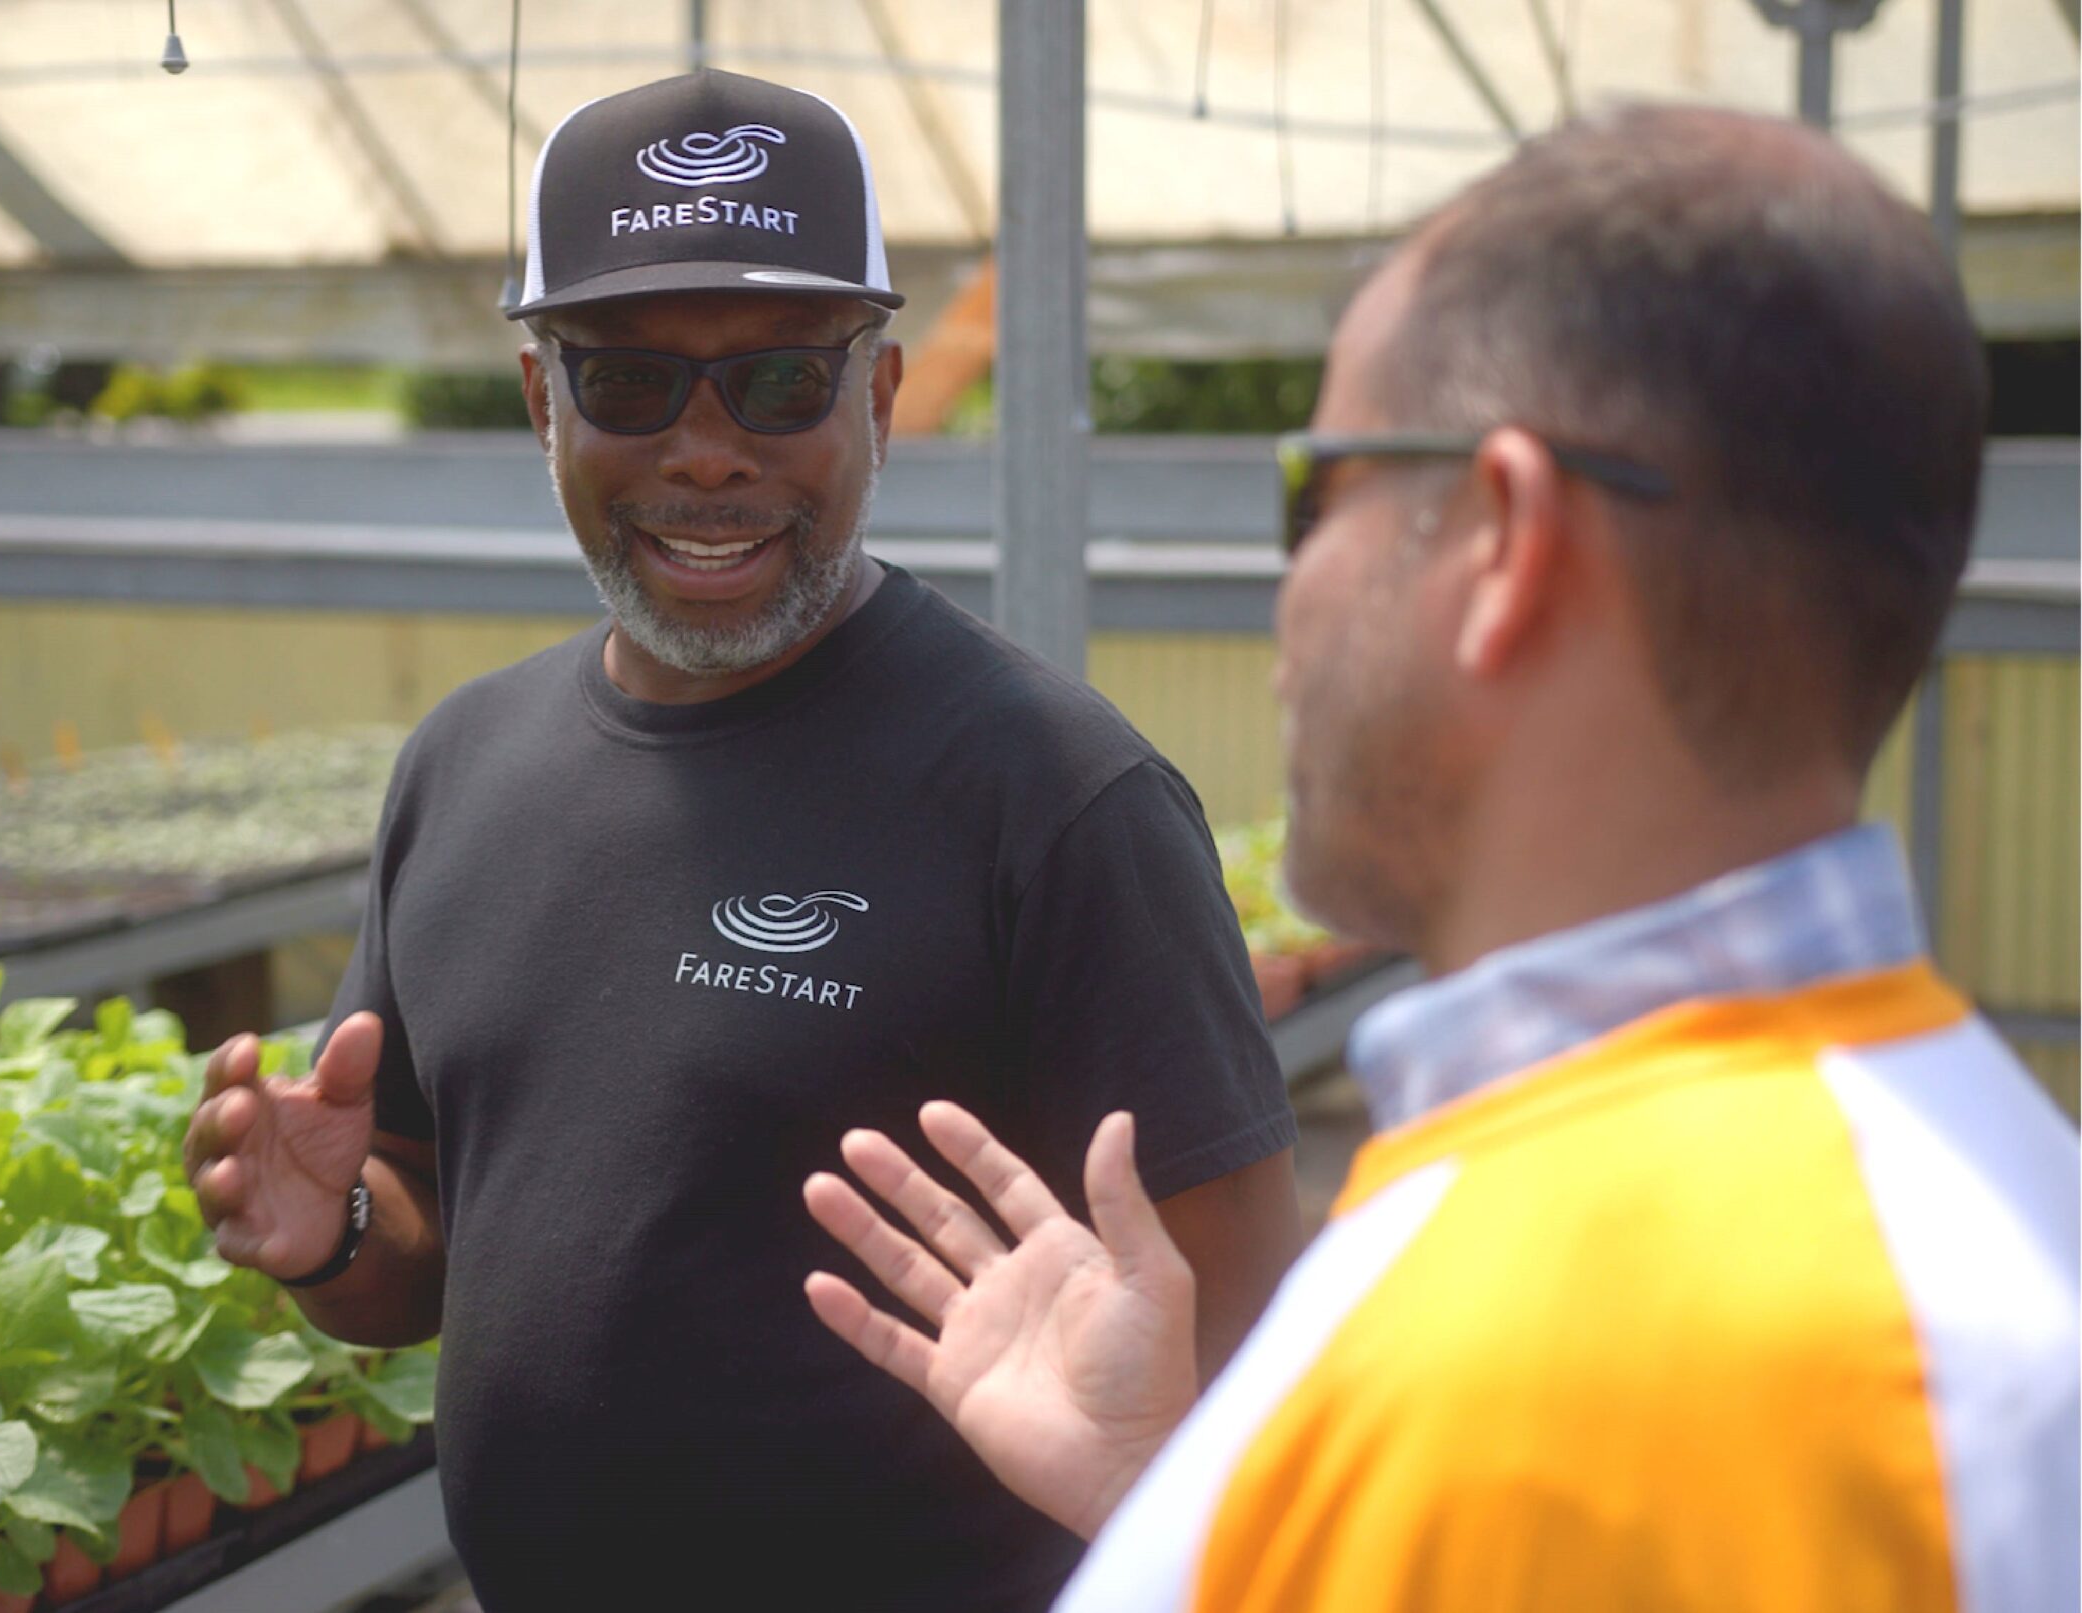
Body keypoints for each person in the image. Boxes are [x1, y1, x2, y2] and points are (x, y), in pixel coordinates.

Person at [803, 103, 2081, 1611]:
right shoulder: (1960, 1227)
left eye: (1319, 493)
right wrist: (1188, 1489)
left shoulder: (1568, 1351)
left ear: (1502, 540)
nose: (1286, 596)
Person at [179, 69, 1304, 1612]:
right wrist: (337, 1227)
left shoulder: (1054, 796)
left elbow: (1234, 1370)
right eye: (629, 382)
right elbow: (423, 1238)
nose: (707, 453)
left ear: (884, 398)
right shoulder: (463, 764)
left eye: (780, 383)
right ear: (539, 402)